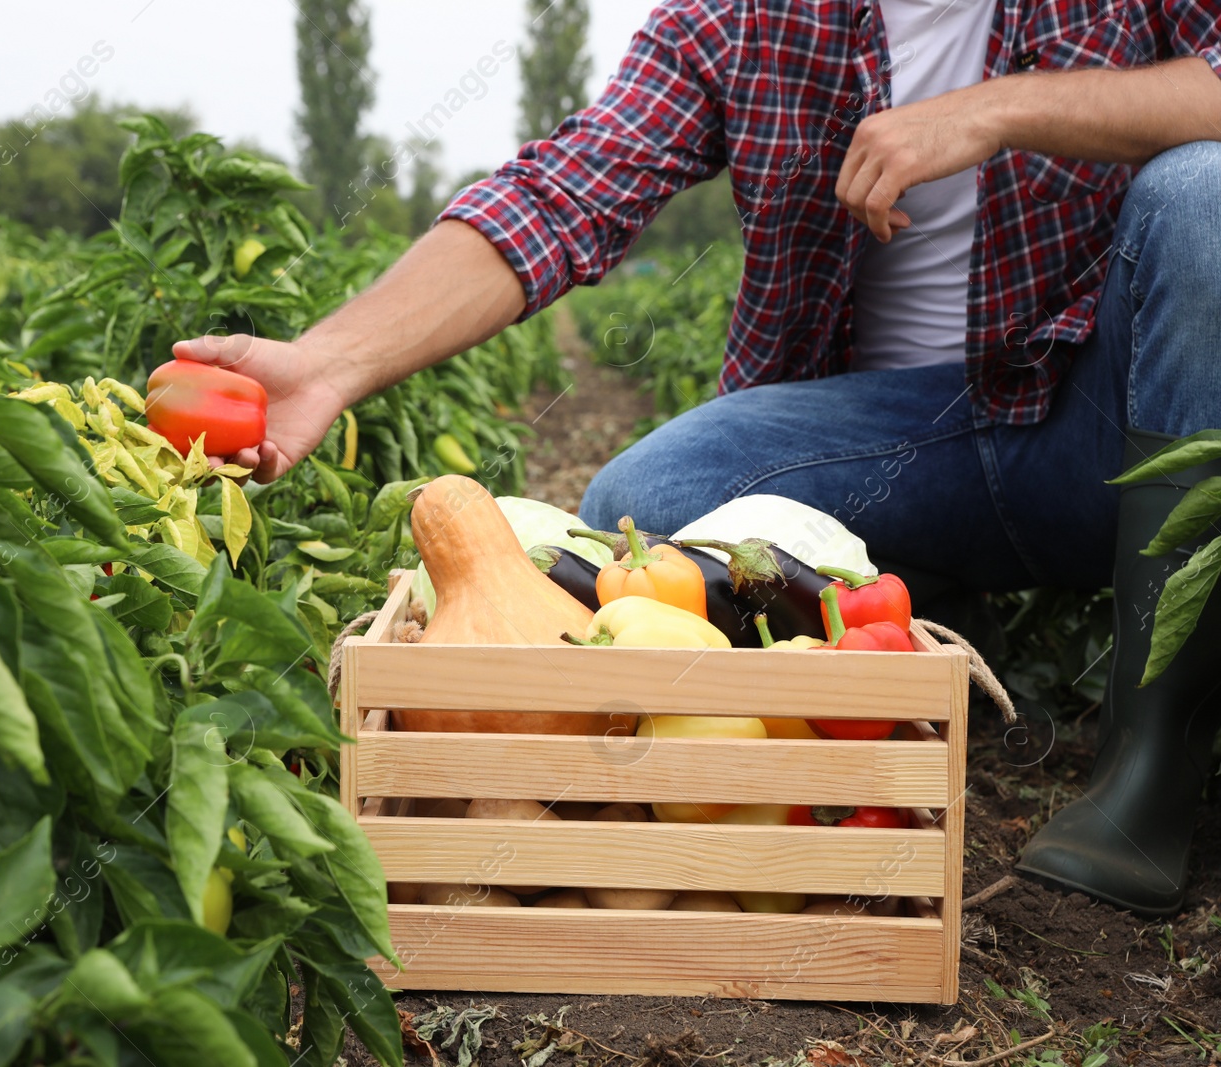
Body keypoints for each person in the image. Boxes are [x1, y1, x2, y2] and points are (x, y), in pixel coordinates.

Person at [175, 2, 1221, 915]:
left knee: (1202, 191)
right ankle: (907, 614)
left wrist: (999, 106)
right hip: (898, 435)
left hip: (1100, 416)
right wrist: (327, 361)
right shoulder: (744, 18)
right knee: (650, 503)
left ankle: (1149, 763)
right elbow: (562, 191)